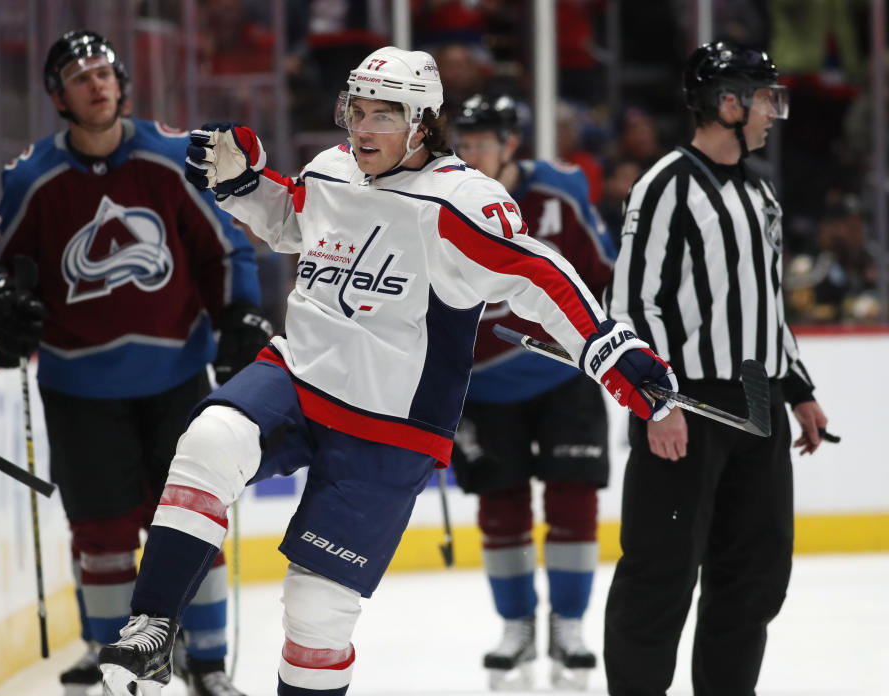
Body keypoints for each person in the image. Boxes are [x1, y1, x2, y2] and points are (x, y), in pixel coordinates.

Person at [96, 45, 677, 696]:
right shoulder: (332, 169)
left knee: (317, 614)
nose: (361, 129)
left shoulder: (461, 203)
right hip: (301, 375)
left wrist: (616, 355)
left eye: (382, 116)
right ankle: (151, 627)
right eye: (356, 111)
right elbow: (294, 220)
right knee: (209, 441)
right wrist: (243, 184)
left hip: (390, 425)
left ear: (423, 123)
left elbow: (539, 276)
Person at [0, 30, 268, 696]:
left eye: (104, 71)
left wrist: (240, 316)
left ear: (122, 82)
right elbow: (1, 268)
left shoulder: (171, 156)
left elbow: (225, 248)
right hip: (78, 384)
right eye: (80, 76)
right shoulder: (33, 176)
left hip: (177, 376)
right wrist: (3, 300)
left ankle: (208, 662)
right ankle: (117, 667)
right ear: (59, 96)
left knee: (191, 520)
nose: (96, 83)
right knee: (103, 532)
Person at [602, 41, 831, 696]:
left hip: (758, 398)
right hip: (687, 402)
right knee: (660, 575)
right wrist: (656, 401)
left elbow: (768, 304)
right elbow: (631, 303)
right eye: (764, 98)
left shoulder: (761, 197)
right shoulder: (665, 187)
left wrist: (799, 392)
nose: (771, 113)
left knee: (754, 575)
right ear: (728, 102)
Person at [451, 93, 616, 691]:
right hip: (484, 389)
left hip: (565, 378)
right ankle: (517, 625)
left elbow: (604, 270)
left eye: (480, 145)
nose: (469, 156)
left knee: (573, 501)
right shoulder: (438, 196)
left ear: (510, 145)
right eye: (462, 144)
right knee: (502, 508)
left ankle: (568, 626)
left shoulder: (559, 192)